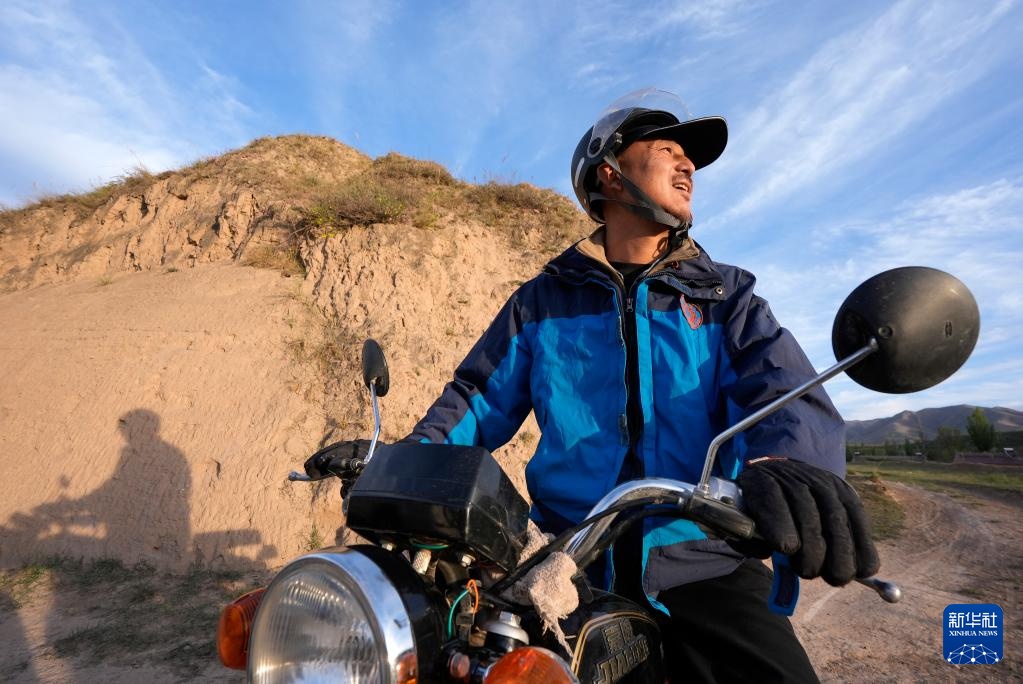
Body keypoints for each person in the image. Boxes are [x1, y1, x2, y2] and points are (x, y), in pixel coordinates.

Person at [307, 88, 879, 682]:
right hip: (568, 565)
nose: (688, 165)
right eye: (668, 150)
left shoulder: (725, 297)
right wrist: (403, 459)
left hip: (702, 560)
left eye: (690, 158)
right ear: (610, 172)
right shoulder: (542, 301)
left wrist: (788, 463)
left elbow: (782, 390)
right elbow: (477, 400)